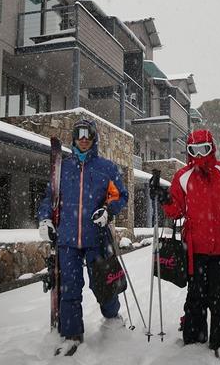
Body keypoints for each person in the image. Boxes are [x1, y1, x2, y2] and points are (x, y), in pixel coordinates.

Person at [153, 129, 220, 354]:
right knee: (196, 296)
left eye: (204, 149)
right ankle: (194, 339)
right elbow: (175, 211)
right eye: (194, 150)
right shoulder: (183, 176)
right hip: (195, 251)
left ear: (212, 148)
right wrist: (165, 198)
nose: (200, 155)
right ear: (189, 151)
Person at [38, 119, 128, 355]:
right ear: (74, 137)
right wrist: (45, 219)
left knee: (104, 284)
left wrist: (108, 211)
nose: (84, 137)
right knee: (69, 288)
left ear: (94, 137)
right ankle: (71, 335)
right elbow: (50, 198)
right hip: (67, 239)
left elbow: (120, 195)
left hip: (96, 237)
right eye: (79, 133)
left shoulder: (106, 167)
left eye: (88, 134)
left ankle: (112, 319)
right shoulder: (62, 168)